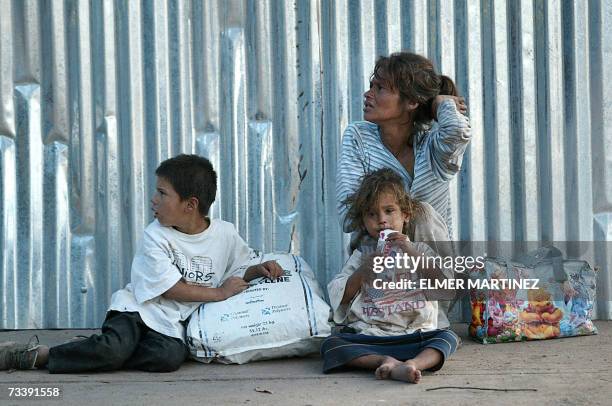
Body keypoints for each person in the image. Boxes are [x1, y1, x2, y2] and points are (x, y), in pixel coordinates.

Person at [0, 154, 282, 373]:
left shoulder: (225, 234)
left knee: (167, 359)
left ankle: (95, 350)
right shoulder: (155, 236)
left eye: (162, 193)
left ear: (190, 205)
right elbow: (171, 290)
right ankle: (38, 356)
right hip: (137, 310)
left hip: (172, 323)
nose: (153, 199)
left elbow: (238, 267)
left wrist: (257, 269)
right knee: (114, 350)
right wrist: (219, 293)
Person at [322, 168, 460, 383]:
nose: (381, 220)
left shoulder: (419, 250)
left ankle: (413, 364)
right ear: (363, 222)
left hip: (416, 333)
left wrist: (411, 252)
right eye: (372, 214)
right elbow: (342, 295)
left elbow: (443, 284)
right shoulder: (362, 256)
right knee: (332, 344)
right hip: (373, 335)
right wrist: (362, 272)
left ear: (405, 215)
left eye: (389, 211)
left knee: (448, 338)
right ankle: (384, 361)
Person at [336, 52, 471, 239]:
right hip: (378, 260)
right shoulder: (359, 137)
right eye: (371, 86)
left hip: (428, 263)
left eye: (380, 88)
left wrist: (441, 103)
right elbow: (347, 216)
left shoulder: (434, 148)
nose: (368, 94)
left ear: (412, 102)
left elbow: (458, 131)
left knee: (424, 213)